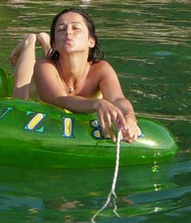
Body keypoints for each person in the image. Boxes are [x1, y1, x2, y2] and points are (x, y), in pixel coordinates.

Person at [9, 8, 140, 143]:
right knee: (20, 91)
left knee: (58, 58)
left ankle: (44, 40)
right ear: (55, 44)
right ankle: (28, 42)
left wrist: (129, 116)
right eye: (61, 29)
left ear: (91, 41)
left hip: (59, 63)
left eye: (76, 28)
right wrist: (97, 104)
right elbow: (59, 99)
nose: (68, 32)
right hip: (33, 101)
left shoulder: (102, 69)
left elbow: (117, 99)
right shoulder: (44, 66)